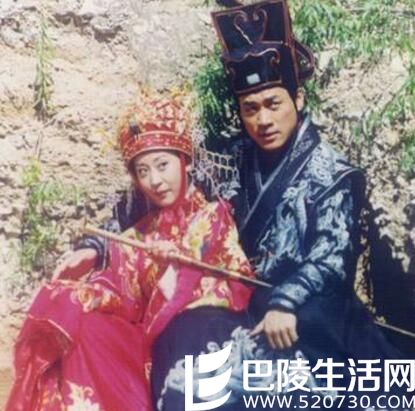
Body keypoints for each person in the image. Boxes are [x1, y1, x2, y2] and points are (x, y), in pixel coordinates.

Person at [58, 1, 408, 408]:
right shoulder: (232, 160)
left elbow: (332, 261)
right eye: (250, 109)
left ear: (297, 98)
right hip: (244, 305)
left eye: (273, 104)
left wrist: (286, 301)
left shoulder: (335, 175)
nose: (263, 120)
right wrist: (95, 246)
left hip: (310, 309)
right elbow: (161, 192)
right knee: (185, 332)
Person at [5, 93, 255, 411]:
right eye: (143, 171)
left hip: (190, 343)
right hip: (143, 342)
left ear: (185, 161)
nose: (155, 181)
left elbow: (237, 287)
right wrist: (78, 295)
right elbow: (121, 294)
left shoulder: (212, 218)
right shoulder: (138, 233)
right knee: (85, 324)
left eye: (163, 165)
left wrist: (178, 269)